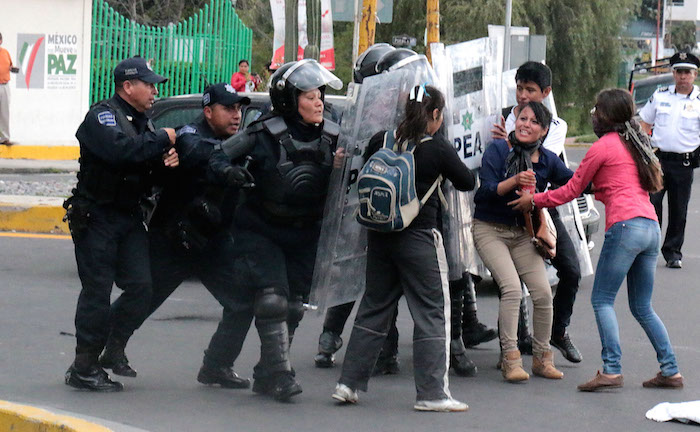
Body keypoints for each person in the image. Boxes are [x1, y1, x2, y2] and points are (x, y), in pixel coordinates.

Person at [511, 88, 684, 391]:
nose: (593, 114)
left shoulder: (604, 146)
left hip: (625, 227)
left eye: (596, 109)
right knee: (642, 306)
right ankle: (670, 370)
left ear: (606, 115)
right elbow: (612, 186)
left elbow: (571, 190)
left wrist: (535, 200)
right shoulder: (635, 143)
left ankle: (612, 370)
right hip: (650, 227)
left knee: (602, 299)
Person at [97, 83, 255, 389]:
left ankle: (217, 366)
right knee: (142, 298)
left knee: (242, 302)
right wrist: (229, 163)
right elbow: (201, 155)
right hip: (173, 239)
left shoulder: (237, 142)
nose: (236, 115)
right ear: (208, 112)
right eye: (228, 108)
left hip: (214, 243)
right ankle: (100, 351)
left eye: (239, 109)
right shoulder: (190, 136)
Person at [333, 84, 475, 412]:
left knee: (373, 307)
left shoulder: (380, 140)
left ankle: (348, 383)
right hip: (419, 237)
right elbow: (467, 181)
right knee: (431, 313)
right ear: (435, 114)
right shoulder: (436, 149)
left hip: (380, 236)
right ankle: (432, 394)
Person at [209, 59, 344, 401]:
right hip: (261, 229)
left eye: (320, 95)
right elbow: (218, 158)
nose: (319, 102)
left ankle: (266, 371)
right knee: (272, 300)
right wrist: (230, 173)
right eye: (311, 96)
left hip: (305, 231)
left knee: (295, 306)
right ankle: (281, 375)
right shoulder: (263, 132)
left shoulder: (333, 133)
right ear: (289, 100)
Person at [64, 56, 178, 392]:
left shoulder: (146, 123)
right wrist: (163, 141)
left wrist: (166, 162)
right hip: (97, 216)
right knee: (97, 292)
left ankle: (111, 348)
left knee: (143, 287)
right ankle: (84, 366)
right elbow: (120, 152)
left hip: (129, 217)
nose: (155, 91)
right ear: (128, 86)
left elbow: (146, 166)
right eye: (149, 84)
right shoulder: (103, 116)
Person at [492, 61, 583, 363]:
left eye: (530, 90)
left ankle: (558, 330)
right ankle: (515, 344)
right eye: (519, 88)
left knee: (571, 270)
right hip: (505, 212)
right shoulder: (503, 117)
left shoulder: (555, 126)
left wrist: (504, 141)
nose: (523, 96)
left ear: (545, 92)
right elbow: (491, 160)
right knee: (512, 283)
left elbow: (540, 156)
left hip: (541, 210)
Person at [474, 101, 570, 383]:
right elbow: (485, 193)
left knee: (541, 292)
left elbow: (574, 184)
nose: (525, 124)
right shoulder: (498, 150)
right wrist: (516, 180)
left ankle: (542, 358)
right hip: (489, 228)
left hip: (522, 233)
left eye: (533, 121)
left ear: (542, 131)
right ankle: (510, 359)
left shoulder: (548, 159)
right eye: (522, 118)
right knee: (512, 289)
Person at [639, 52, 700, 269]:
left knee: (679, 209)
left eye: (688, 72)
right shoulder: (660, 95)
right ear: (673, 74)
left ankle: (673, 252)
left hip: (684, 163)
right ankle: (649, 249)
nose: (683, 76)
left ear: (695, 74)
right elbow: (644, 122)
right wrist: (645, 150)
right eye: (679, 72)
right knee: (652, 205)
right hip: (658, 161)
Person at [0, 32, 19, 145]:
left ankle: (5, 138)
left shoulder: (5, 53)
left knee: (4, 113)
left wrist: (13, 69)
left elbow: (9, 66)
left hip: (5, 86)